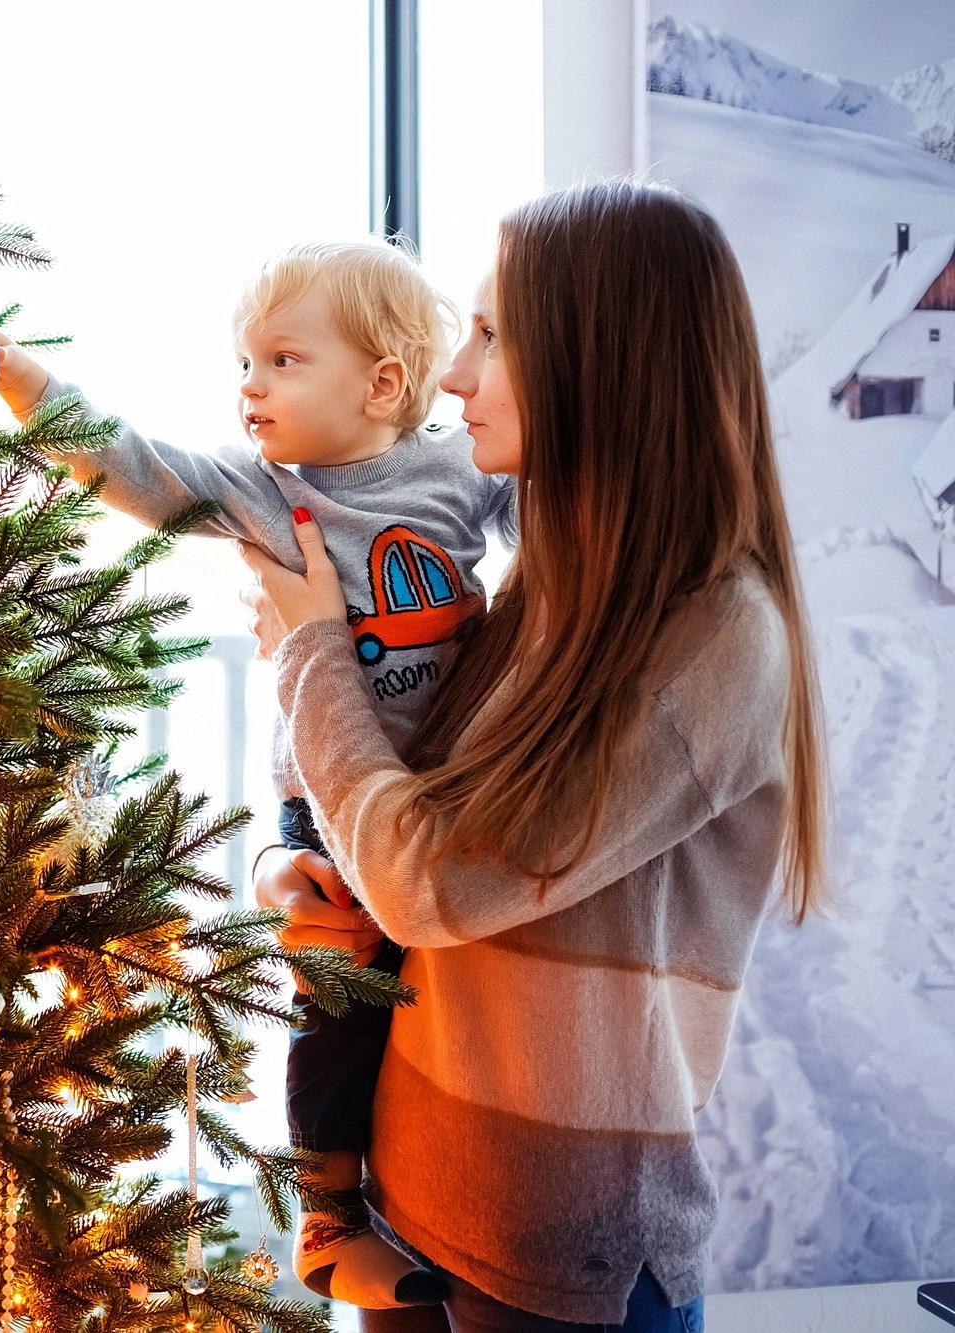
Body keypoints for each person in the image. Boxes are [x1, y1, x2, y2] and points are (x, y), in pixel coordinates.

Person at [239, 178, 827, 1332]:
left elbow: (432, 883)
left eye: (492, 334)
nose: (452, 374)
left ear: (604, 363)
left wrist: (310, 650)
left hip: (559, 1260)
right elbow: (398, 807)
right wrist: (285, 861)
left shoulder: (716, 636)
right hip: (410, 1204)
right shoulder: (536, 594)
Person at [0, 239, 514, 1309]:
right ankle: (325, 1222)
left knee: (428, 1023)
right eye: (245, 361)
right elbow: (130, 464)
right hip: (327, 808)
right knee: (334, 1010)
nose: (249, 385)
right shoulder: (264, 493)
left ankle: (403, 1197)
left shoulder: (461, 472)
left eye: (282, 360)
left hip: (444, 801)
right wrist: (11, 372)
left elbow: (564, 526)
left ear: (379, 383)